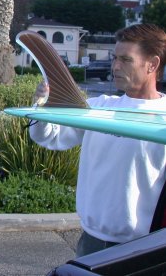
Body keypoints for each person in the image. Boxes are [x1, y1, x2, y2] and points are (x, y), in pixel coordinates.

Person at [29, 23, 166, 257]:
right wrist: (41, 105)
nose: (115, 66)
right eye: (115, 58)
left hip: (142, 249)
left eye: (126, 60)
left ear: (152, 64)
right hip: (89, 242)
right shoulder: (98, 107)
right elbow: (49, 137)